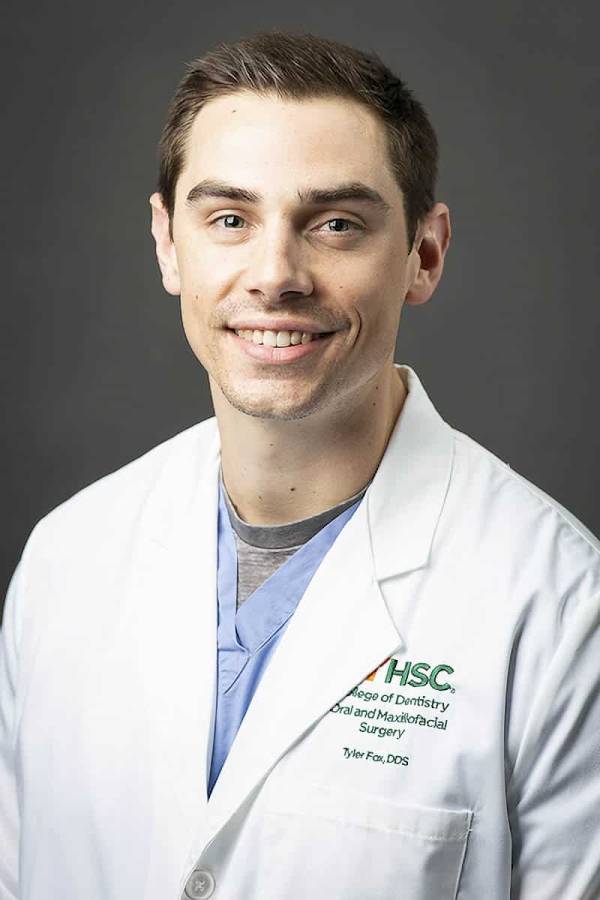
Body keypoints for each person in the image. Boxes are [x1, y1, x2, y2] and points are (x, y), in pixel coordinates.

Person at [1, 29, 599, 900]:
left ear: (423, 256)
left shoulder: (561, 612)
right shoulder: (66, 558)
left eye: (336, 224)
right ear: (170, 243)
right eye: (231, 219)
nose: (276, 274)